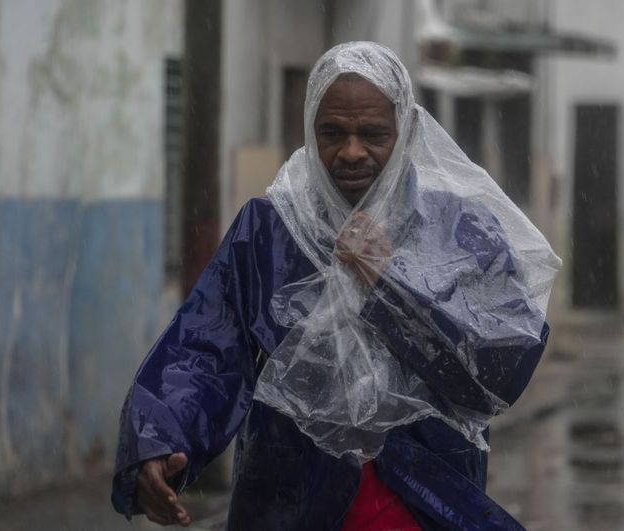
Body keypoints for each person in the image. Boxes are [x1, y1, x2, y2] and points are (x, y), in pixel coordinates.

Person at [112, 41, 560, 530]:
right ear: (309, 129)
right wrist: (156, 438)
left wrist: (392, 287)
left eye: (372, 134)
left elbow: (501, 364)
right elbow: (205, 347)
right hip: (293, 496)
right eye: (332, 133)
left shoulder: (457, 230)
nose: (350, 152)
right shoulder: (272, 229)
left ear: (406, 131)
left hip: (425, 495)